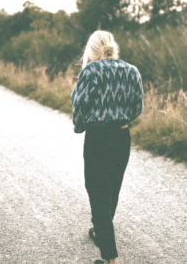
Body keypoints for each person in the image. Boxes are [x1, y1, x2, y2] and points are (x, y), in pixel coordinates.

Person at [70, 30, 144, 264]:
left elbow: (80, 106)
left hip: (98, 137)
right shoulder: (132, 71)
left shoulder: (90, 71)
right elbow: (137, 107)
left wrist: (80, 126)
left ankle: (110, 258)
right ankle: (100, 230)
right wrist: (121, 120)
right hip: (122, 136)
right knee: (111, 189)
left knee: (96, 190)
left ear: (90, 51)